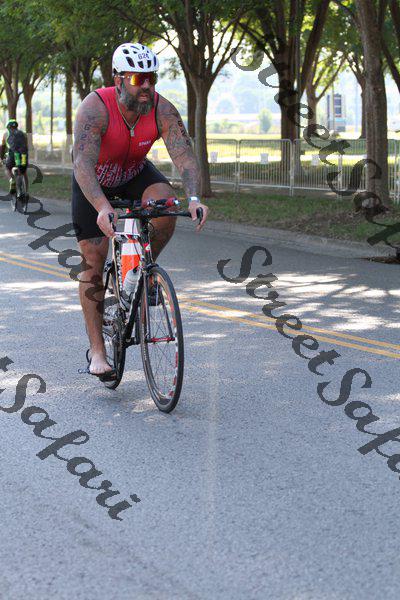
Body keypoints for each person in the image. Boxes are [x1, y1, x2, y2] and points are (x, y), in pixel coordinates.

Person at [73, 42, 209, 379]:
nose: (146, 85)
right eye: (138, 78)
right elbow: (83, 164)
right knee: (93, 262)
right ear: (118, 79)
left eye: (151, 78)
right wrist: (102, 207)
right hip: (94, 183)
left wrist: (194, 198)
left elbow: (184, 157)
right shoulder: (95, 108)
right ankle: (98, 351)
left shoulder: (162, 110)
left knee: (166, 202)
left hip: (134, 174)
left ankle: (143, 273)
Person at [0, 119, 29, 196]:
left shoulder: (6, 134)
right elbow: (26, 147)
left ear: (8, 127)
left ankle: (12, 180)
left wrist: (1, 158)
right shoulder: (23, 134)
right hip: (23, 156)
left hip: (12, 155)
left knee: (7, 168)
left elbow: (2, 148)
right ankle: (26, 192)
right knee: (24, 172)